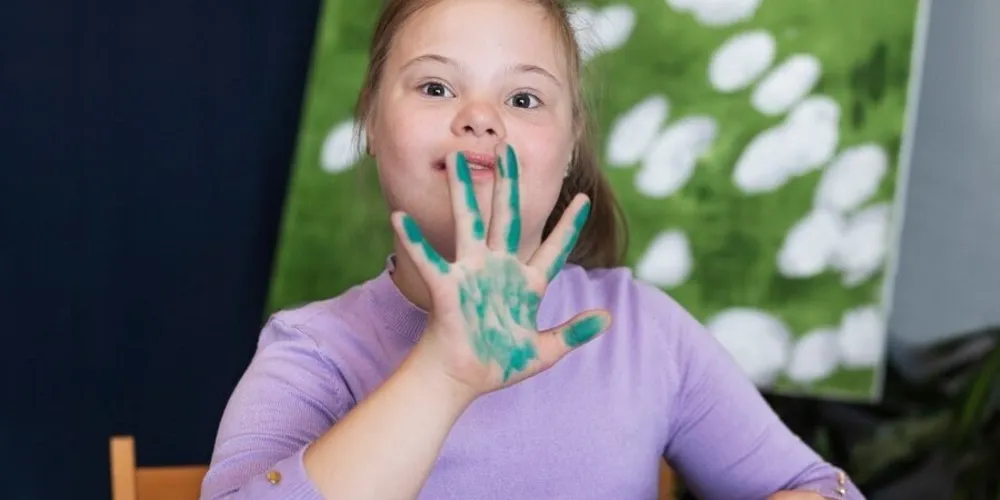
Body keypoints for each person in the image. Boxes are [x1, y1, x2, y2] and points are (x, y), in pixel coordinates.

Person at [200, 0, 864, 498]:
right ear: (370, 118)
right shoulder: (312, 352)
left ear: (571, 144)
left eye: (523, 97)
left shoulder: (641, 330)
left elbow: (821, 487)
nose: (479, 117)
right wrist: (443, 374)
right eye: (436, 87)